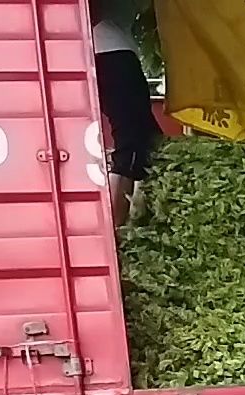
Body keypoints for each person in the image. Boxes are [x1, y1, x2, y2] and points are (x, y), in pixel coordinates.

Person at [91, 0, 158, 228]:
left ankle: (135, 219)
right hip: (112, 52)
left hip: (109, 50)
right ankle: (113, 231)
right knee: (132, 143)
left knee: (147, 138)